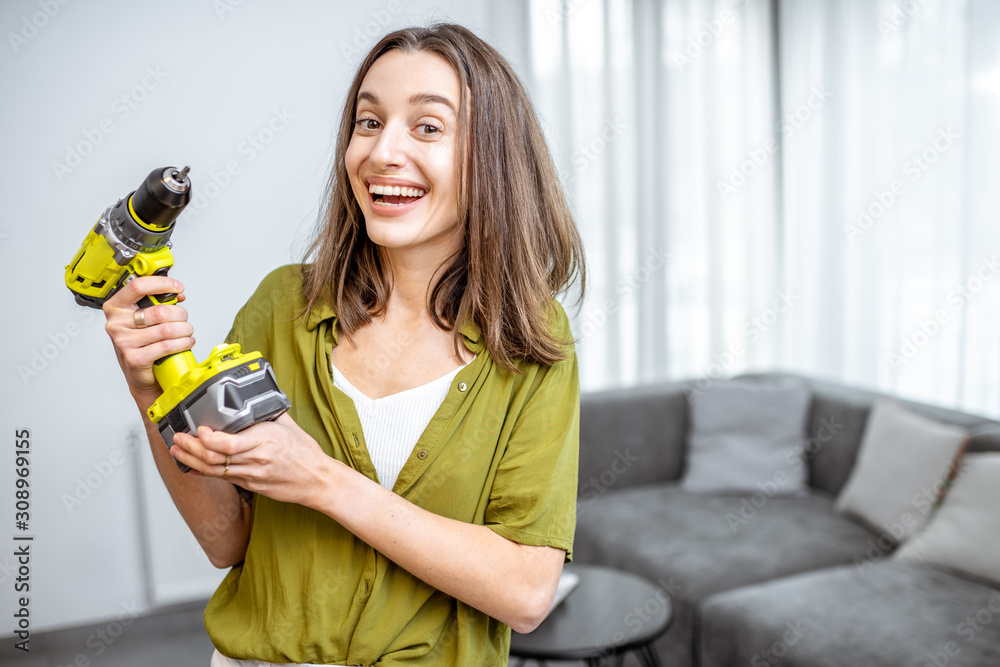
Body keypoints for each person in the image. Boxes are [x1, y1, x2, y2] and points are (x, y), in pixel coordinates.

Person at [102, 23, 586, 666]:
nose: (382, 151)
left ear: (493, 157)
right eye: (367, 121)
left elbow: (526, 594)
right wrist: (148, 388)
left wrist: (322, 479)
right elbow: (227, 541)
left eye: (428, 126)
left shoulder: (531, 340)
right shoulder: (283, 305)